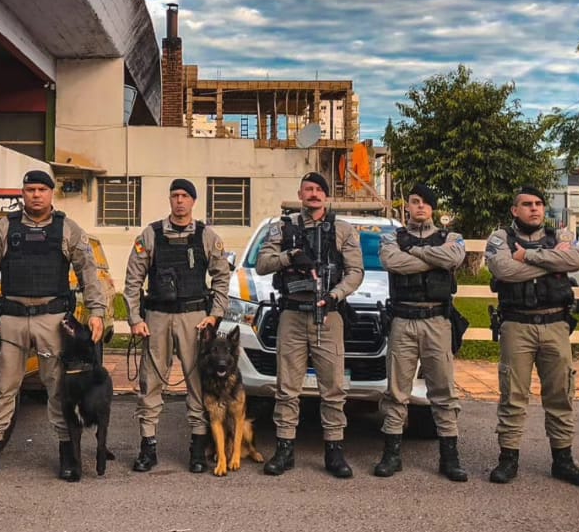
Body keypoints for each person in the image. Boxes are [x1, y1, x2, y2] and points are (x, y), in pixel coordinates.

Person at [0, 170, 106, 481]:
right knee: (3, 387)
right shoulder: (5, 228)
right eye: (30, 189)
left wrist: (96, 311)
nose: (36, 195)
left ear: (51, 193)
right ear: (23, 193)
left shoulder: (67, 229)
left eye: (42, 189)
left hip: (52, 320)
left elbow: (88, 272)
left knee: (58, 388)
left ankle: (67, 453)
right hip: (12, 320)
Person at [255, 171, 364, 478]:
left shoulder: (342, 229)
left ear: (326, 196)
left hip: (328, 317)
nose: (313, 194)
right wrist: (291, 256)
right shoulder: (283, 228)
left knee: (333, 388)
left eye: (319, 190)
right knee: (287, 388)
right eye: (308, 190)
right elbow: (263, 264)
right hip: (292, 313)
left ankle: (334, 450)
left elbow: (355, 272)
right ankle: (284, 449)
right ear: (300, 194)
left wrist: (334, 296)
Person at [485, 187, 579, 487]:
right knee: (513, 394)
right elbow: (503, 269)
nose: (534, 209)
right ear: (514, 210)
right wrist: (547, 265)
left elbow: (574, 262)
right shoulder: (500, 238)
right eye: (527, 204)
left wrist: (528, 256)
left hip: (555, 324)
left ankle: (563, 460)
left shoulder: (562, 236)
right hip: (517, 325)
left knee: (561, 394)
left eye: (539, 204)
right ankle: (508, 459)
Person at [125, 179, 232, 473]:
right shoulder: (151, 234)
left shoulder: (207, 236)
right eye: (175, 196)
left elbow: (222, 277)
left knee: (196, 382)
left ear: (193, 201)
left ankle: (198, 448)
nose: (179, 201)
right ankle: (148, 447)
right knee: (151, 381)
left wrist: (215, 314)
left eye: (185, 196)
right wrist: (135, 319)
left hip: (194, 318)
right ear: (170, 200)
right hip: (156, 317)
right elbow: (133, 280)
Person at [376, 184, 468, 481]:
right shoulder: (392, 237)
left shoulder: (451, 238)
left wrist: (416, 252)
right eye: (415, 202)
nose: (420, 207)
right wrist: (431, 258)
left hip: (436, 321)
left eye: (426, 203)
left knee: (443, 390)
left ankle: (449, 456)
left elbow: (453, 259)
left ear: (433, 208)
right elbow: (392, 262)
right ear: (408, 207)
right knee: (397, 391)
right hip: (402, 320)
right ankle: (392, 454)